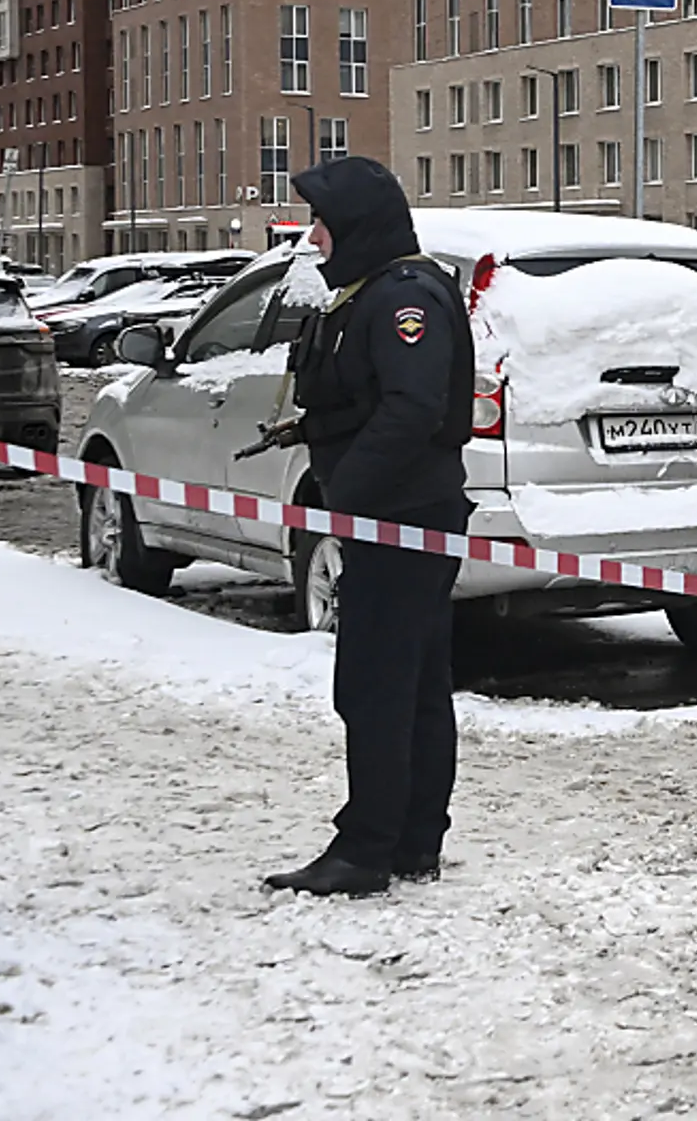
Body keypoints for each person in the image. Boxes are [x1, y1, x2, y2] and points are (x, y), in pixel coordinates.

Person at [262, 156, 475, 898]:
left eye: (321, 220)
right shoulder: (378, 291)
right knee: (410, 684)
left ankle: (366, 850)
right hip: (403, 512)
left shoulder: (403, 297)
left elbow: (414, 408)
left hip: (402, 516)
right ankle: (412, 840)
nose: (312, 236)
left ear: (353, 224)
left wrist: (345, 491)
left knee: (378, 685)